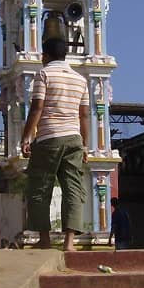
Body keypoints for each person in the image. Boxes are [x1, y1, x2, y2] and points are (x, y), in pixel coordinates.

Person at [21, 37, 89, 251]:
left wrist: (26, 137)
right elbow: (84, 116)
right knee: (73, 189)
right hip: (74, 139)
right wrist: (85, 145)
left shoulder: (44, 74)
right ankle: (70, 243)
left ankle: (45, 239)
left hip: (49, 137)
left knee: (40, 188)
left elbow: (36, 108)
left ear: (45, 55)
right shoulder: (81, 80)